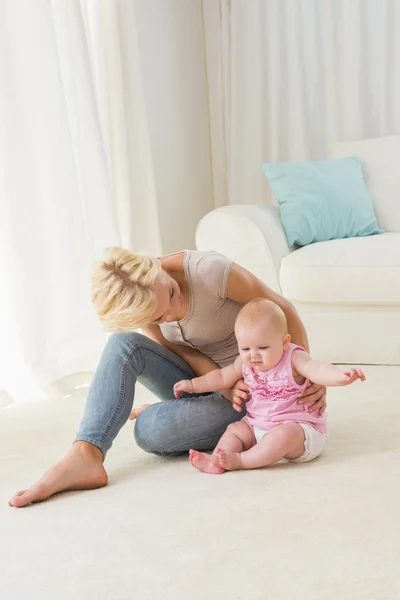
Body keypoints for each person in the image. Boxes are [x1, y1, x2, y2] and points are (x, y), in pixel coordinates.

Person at [9, 248, 327, 508]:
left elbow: (282, 308)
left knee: (149, 431)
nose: (172, 312)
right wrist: (222, 385)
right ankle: (86, 454)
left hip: (256, 394)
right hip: (213, 382)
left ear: (154, 267)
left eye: (172, 294)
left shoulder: (210, 272)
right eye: (159, 317)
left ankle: (164, 415)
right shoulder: (145, 308)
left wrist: (304, 376)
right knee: (122, 344)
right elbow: (182, 352)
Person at [171, 298, 365, 474]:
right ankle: (217, 460)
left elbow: (316, 369)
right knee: (235, 430)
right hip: (259, 425)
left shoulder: (293, 358)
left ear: (284, 342)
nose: (253, 355)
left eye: (263, 348)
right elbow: (221, 377)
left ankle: (242, 460)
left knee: (283, 435)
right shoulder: (245, 362)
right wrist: (192, 385)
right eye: (245, 348)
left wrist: (339, 376)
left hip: (299, 430)